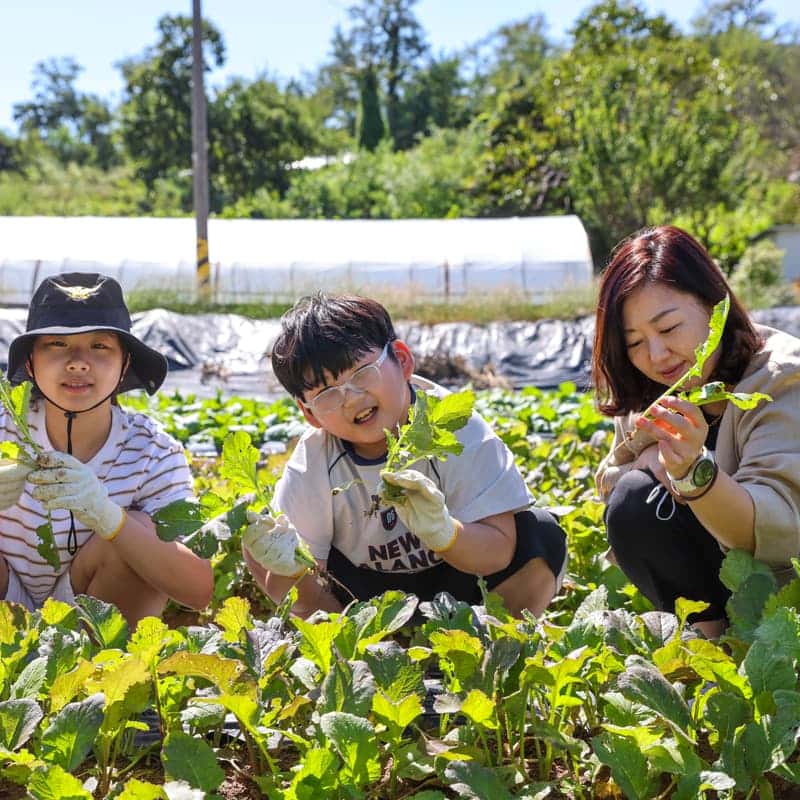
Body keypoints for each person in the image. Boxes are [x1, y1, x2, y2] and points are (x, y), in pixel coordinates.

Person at [242, 293, 567, 618]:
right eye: (327, 393)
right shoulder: (313, 461)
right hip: (365, 598)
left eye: (361, 373)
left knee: (542, 536)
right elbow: (298, 586)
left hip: (461, 582)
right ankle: (354, 643)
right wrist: (288, 569)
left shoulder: (454, 424)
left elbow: (499, 551)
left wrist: (445, 532)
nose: (350, 399)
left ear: (402, 360)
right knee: (264, 547)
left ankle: (488, 643)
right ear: (310, 414)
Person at [593, 225, 800, 637]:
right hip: (726, 575)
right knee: (634, 501)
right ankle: (712, 645)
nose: (656, 355)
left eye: (669, 328)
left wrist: (693, 473)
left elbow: (777, 529)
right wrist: (649, 461)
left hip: (785, 591)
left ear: (714, 305)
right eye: (634, 343)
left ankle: (763, 645)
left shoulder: (780, 378)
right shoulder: (652, 390)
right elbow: (610, 483)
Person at [0, 272, 213, 625]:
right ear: (29, 362)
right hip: (6, 601)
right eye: (57, 344)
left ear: (125, 363)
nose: (78, 362)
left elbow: (197, 590)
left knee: (141, 530)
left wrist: (107, 516)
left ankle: (96, 658)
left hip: (91, 614)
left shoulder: (153, 453)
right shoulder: (4, 426)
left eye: (99, 346)